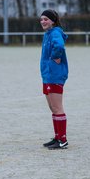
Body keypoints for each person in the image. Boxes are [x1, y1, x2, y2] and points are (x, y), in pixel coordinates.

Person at [40, 9, 69, 150]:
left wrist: (56, 56)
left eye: (46, 19)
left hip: (55, 75)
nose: (43, 22)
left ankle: (63, 140)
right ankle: (57, 137)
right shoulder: (48, 34)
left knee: (57, 107)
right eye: (41, 19)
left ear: (52, 20)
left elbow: (59, 46)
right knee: (52, 107)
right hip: (47, 75)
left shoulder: (56, 32)